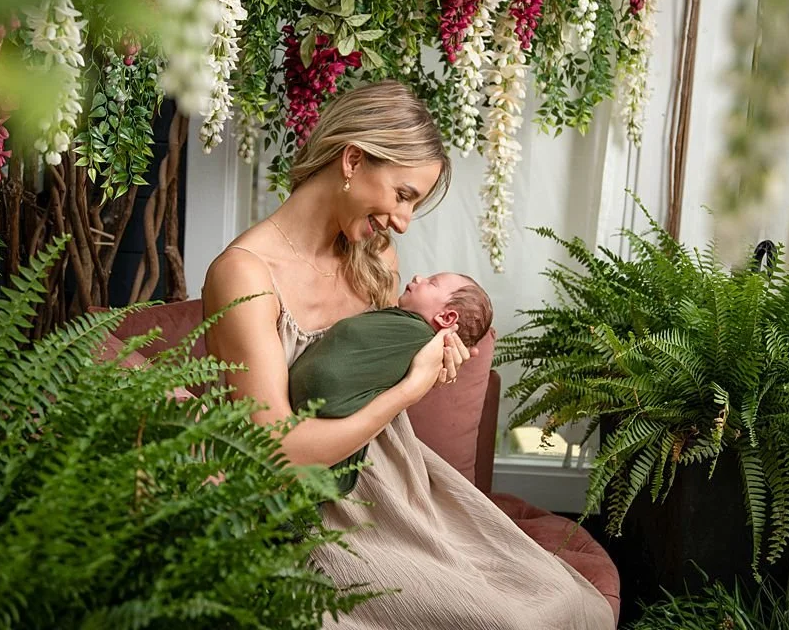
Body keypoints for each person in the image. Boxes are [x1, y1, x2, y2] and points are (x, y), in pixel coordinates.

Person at [203, 81, 613, 630]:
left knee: (565, 600)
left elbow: (393, 355)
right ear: (352, 160)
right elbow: (280, 458)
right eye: (404, 195)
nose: (403, 221)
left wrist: (435, 355)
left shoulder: (374, 257)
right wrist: (408, 389)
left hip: (404, 488)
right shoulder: (244, 274)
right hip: (318, 511)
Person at [288, 272, 493, 495]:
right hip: (302, 431)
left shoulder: (418, 336)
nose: (418, 277)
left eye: (431, 283)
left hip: (323, 435)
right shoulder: (396, 322)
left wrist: (441, 352)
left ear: (447, 318)